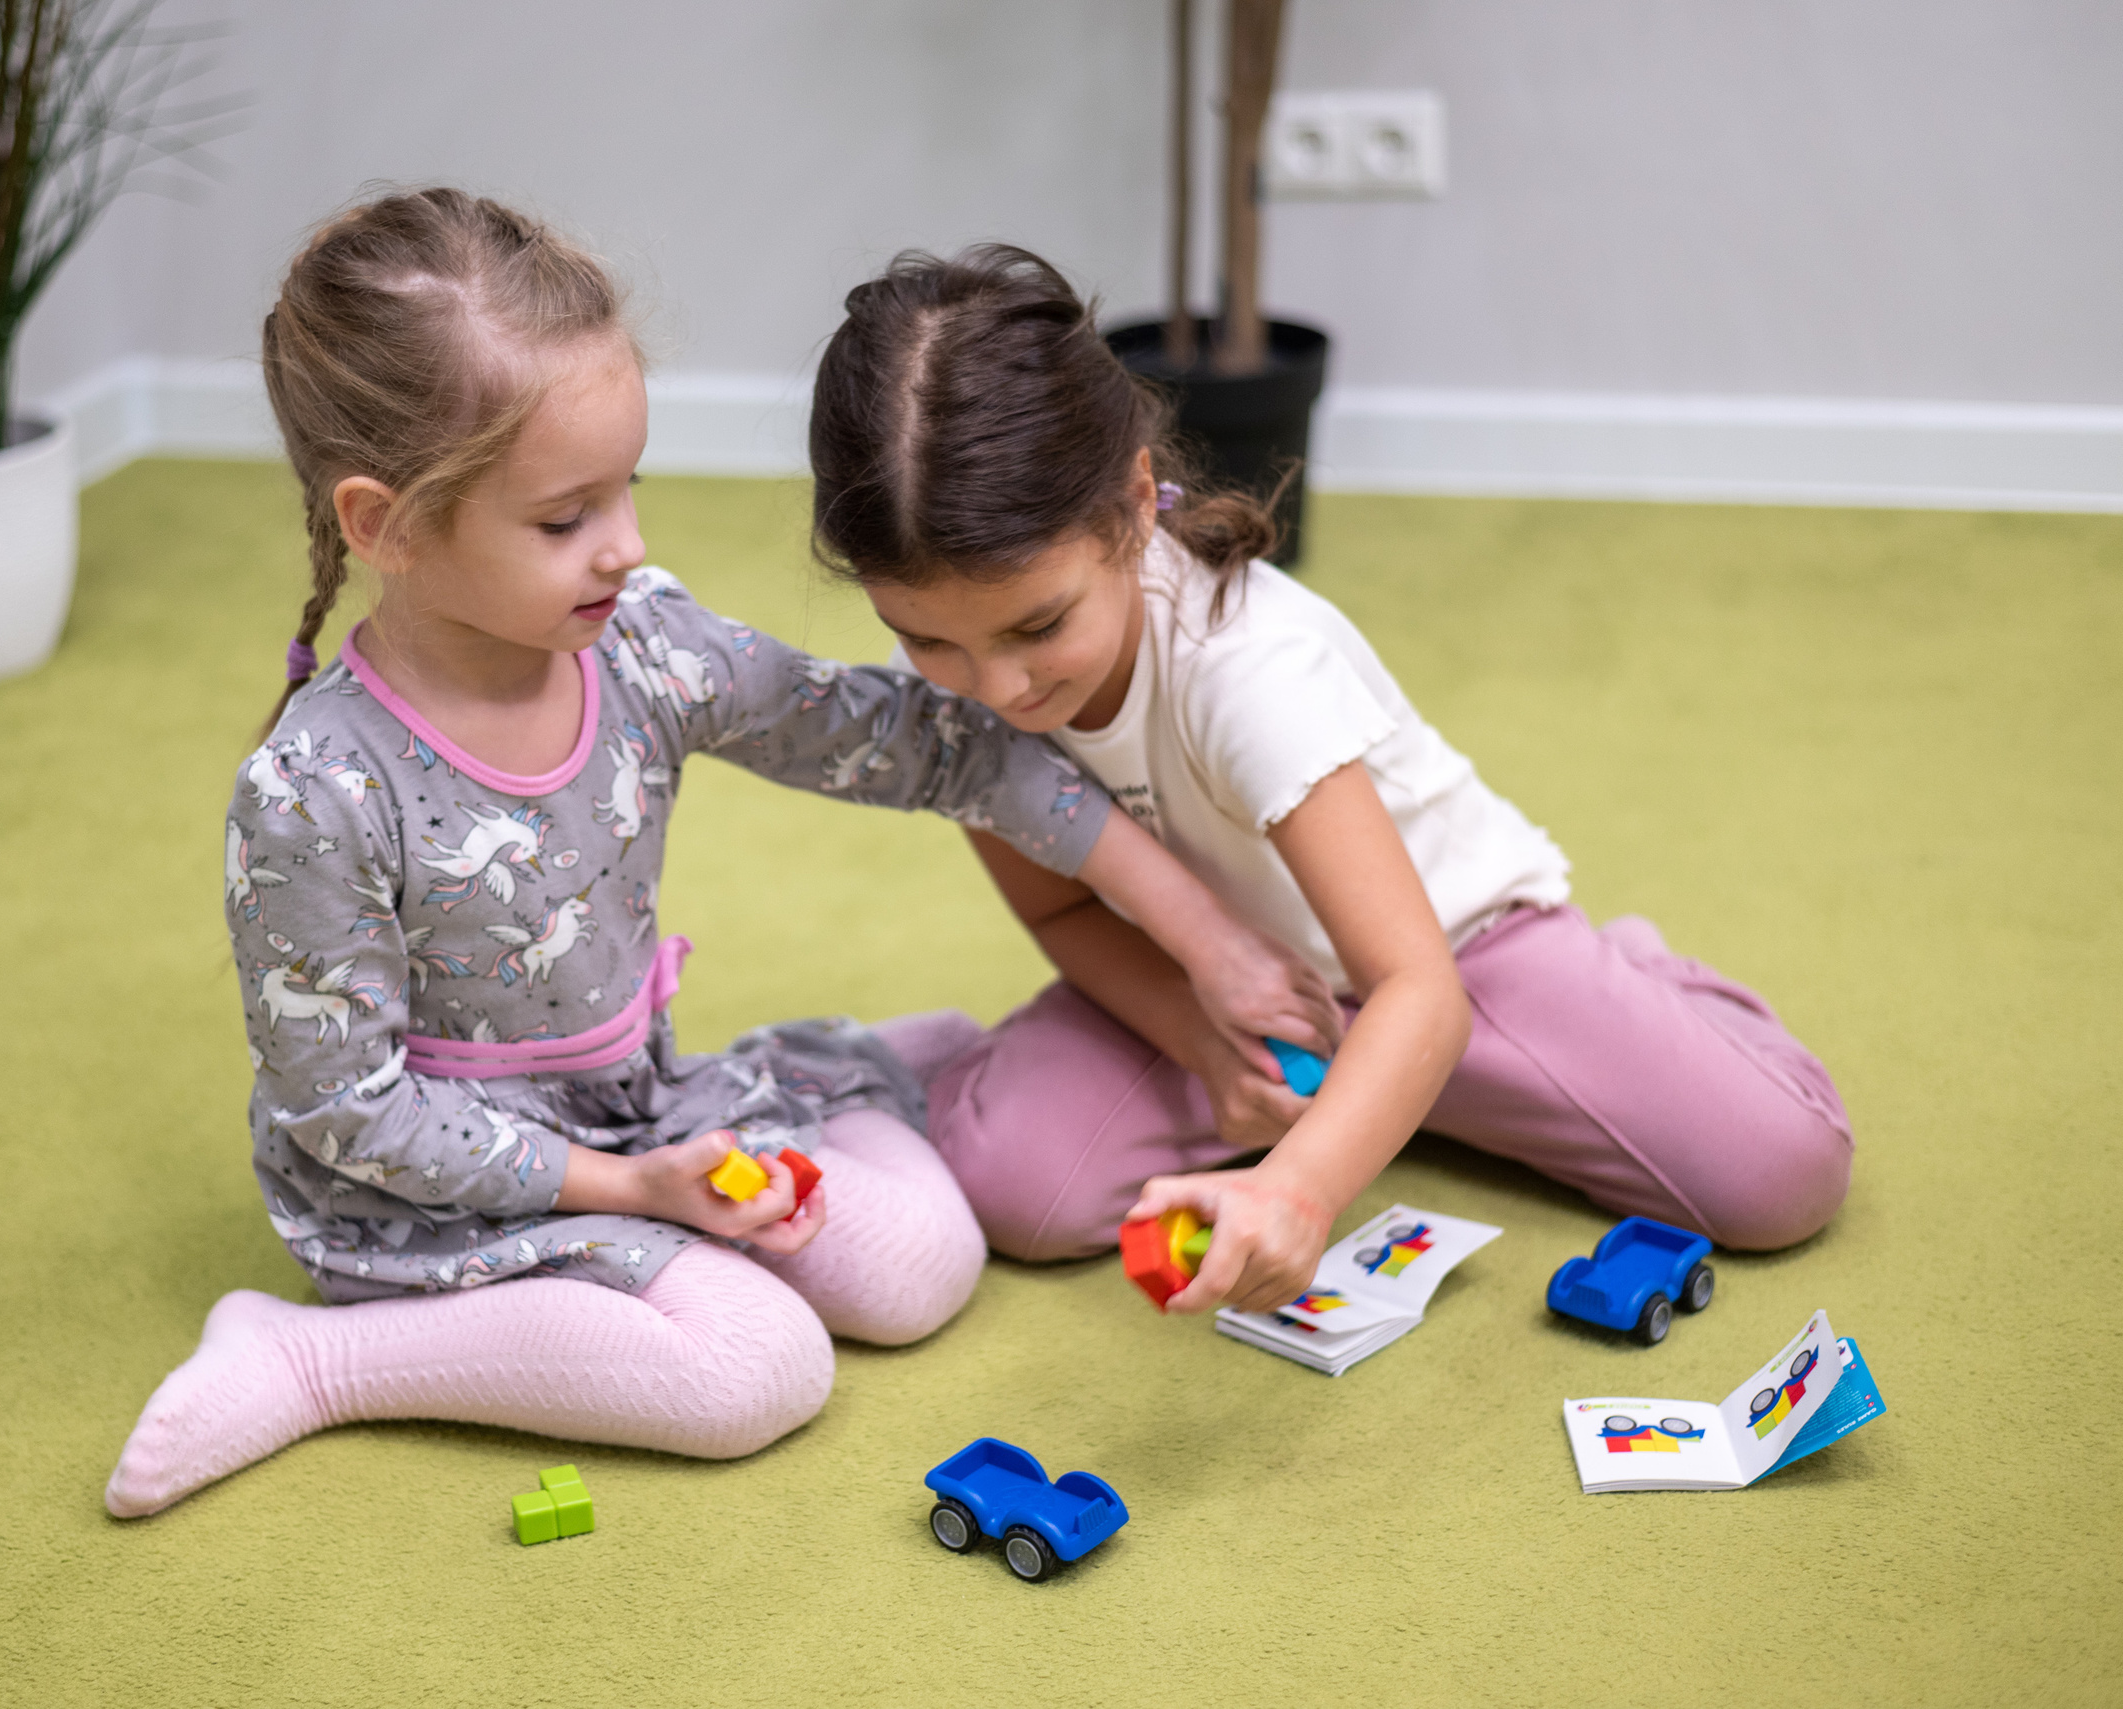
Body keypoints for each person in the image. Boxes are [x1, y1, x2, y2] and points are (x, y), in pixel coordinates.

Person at [104, 194, 1309, 1516]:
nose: (622, 543)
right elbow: (350, 1110)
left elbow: (933, 746)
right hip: (436, 1195)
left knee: (922, 1271)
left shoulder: (642, 644)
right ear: (385, 525)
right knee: (755, 1370)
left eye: (627, 486)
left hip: (640, 1105)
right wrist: (635, 1190)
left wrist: (1205, 937)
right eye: (564, 518)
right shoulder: (316, 792)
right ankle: (314, 1362)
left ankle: (835, 1081)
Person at [804, 244, 1855, 1317]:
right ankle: (1370, 1095)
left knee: (1782, 1175)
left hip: (1454, 961)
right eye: (926, 638)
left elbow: (1417, 990)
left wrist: (1300, 1186)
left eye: (1039, 624)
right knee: (1010, 1185)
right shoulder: (955, 683)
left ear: (1131, 501)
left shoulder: (1249, 667)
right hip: (1238, 996)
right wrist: (1198, 1042)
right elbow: (1066, 903)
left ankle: (1621, 983)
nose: (996, 688)